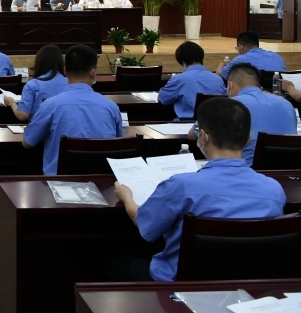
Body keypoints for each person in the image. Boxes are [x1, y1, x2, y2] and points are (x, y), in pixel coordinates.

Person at [111, 98, 286, 282]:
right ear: (248, 138)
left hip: (181, 286)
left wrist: (127, 198)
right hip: (249, 285)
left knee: (115, 263)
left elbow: (144, 223)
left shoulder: (181, 186)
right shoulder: (274, 190)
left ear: (203, 137)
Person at [23, 44, 122, 175]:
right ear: (93, 73)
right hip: (102, 181)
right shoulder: (112, 107)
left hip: (60, 182)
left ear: (65, 71)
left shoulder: (49, 105)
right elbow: (118, 144)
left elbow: (28, 143)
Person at [189, 63, 296, 165]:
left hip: (243, 172)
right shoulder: (287, 105)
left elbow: (193, 135)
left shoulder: (230, 106)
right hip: (289, 172)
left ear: (230, 85)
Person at [158, 41, 226, 120]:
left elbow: (163, 99)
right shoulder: (217, 79)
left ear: (183, 63)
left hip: (186, 123)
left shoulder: (179, 79)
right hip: (213, 123)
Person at [5, 45, 68, 122]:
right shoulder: (70, 83)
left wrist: (11, 102)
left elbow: (23, 115)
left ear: (39, 62)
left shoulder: (33, 84)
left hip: (39, 128)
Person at [217, 31, 286, 78]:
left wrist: (222, 64)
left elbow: (220, 74)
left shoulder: (239, 60)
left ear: (240, 47)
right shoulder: (277, 57)